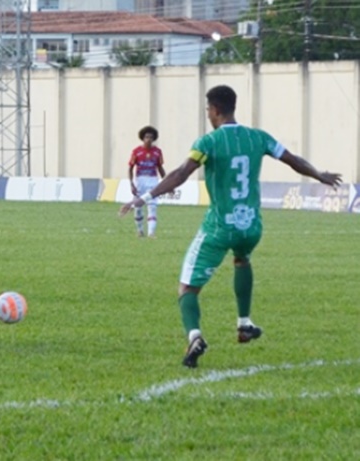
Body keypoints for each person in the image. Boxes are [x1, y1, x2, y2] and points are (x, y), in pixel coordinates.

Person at [119, 85, 342, 368]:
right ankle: (244, 323)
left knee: (187, 288)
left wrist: (145, 196)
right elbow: (292, 160)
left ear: (215, 110)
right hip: (251, 225)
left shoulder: (208, 142)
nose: (208, 115)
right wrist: (319, 174)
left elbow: (181, 174)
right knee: (242, 259)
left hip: (220, 226)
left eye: (208, 110)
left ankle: (195, 336)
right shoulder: (258, 137)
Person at [128, 126, 166, 238]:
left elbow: (160, 168)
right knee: (138, 208)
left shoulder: (158, 152)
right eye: (146, 137)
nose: (148, 139)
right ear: (142, 138)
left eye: (151, 137)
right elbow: (130, 168)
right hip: (140, 181)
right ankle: (140, 230)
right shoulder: (136, 152)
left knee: (152, 207)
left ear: (154, 139)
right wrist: (131, 184)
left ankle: (151, 233)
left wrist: (166, 182)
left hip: (153, 180)